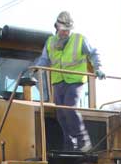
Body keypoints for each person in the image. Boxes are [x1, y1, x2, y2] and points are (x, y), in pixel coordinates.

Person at [34, 11, 105, 152]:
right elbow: (44, 59)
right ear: (57, 27)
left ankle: (83, 141)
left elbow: (93, 53)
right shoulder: (50, 42)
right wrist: (36, 68)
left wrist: (98, 68)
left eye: (68, 30)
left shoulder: (79, 40)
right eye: (63, 30)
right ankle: (69, 144)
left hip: (75, 81)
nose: (66, 33)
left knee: (70, 107)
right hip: (58, 82)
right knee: (60, 113)